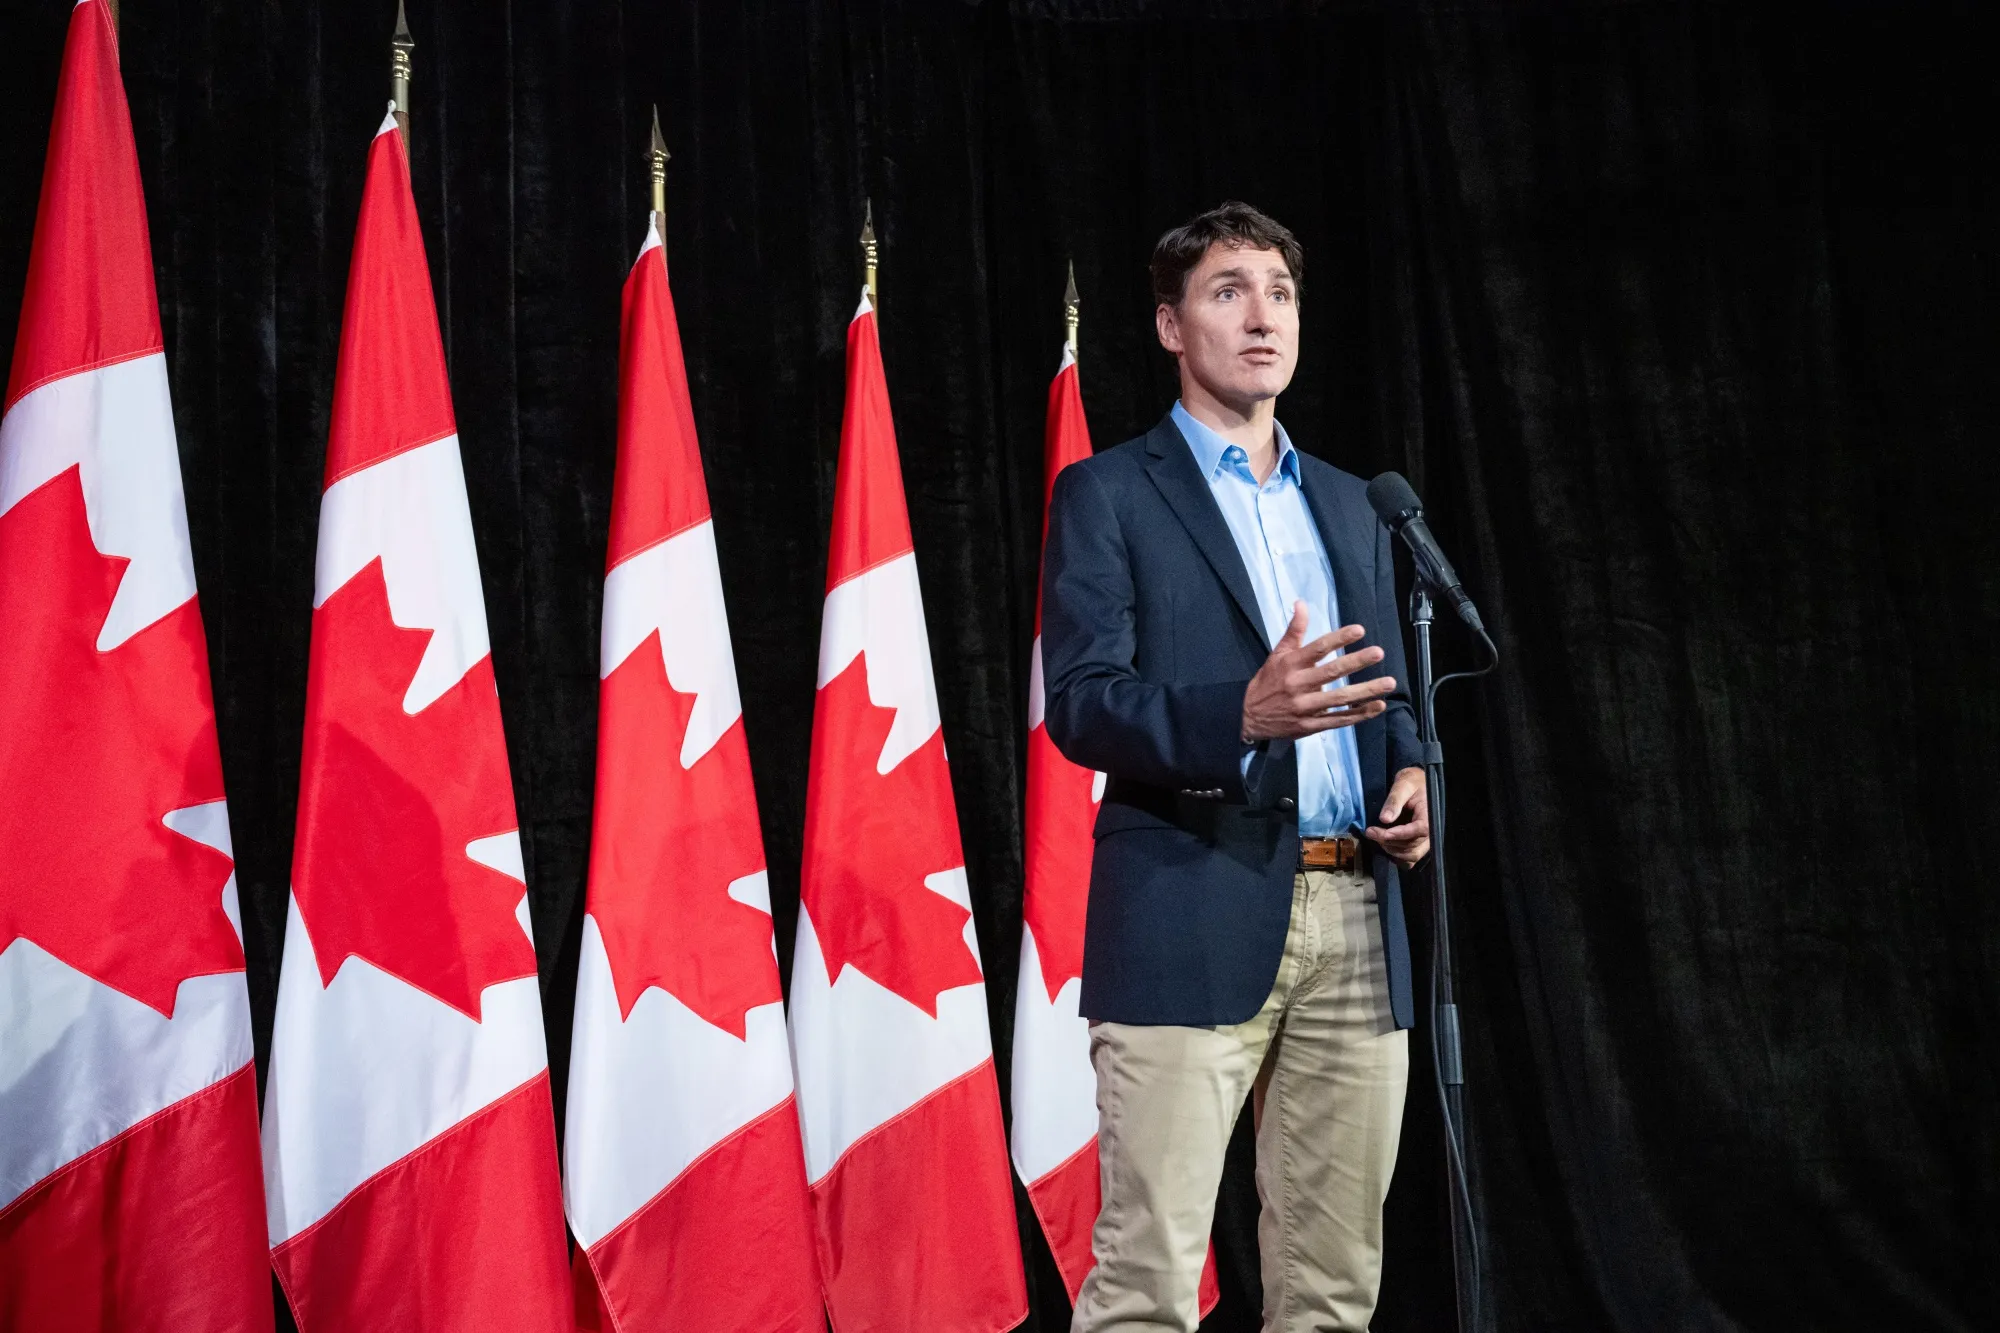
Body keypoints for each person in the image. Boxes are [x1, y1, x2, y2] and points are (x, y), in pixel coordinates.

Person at [1040, 201, 1429, 1333]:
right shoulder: (1110, 493)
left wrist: (1412, 775)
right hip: (1188, 894)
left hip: (1357, 913)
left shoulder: (1355, 504)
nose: (1262, 316)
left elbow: (1390, 693)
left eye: (1280, 293)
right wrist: (1240, 717)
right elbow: (1081, 703)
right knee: (1147, 1285)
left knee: (1332, 1289)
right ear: (1171, 326)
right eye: (1228, 291)